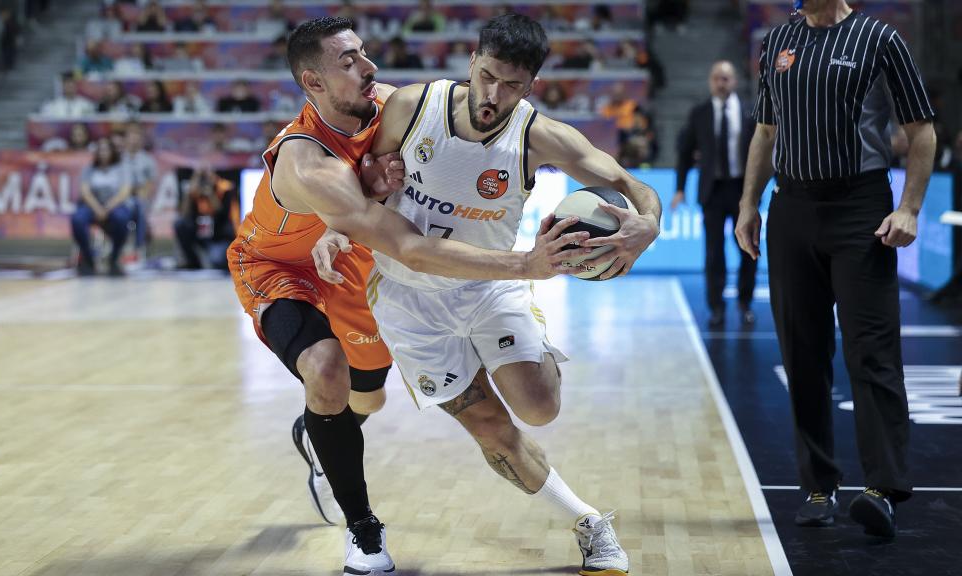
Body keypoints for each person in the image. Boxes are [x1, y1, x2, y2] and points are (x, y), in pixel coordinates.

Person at [225, 16, 587, 575]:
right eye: (348, 63)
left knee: (365, 400)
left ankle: (319, 433)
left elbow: (440, 139)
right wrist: (523, 264)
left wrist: (356, 206)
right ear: (313, 82)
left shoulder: (390, 103)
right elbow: (402, 241)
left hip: (349, 262)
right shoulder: (305, 159)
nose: (369, 68)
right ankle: (364, 532)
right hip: (278, 265)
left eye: (363, 54)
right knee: (325, 372)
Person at [315, 14, 661, 575]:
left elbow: (629, 182)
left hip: (488, 285)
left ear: (532, 86)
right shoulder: (411, 106)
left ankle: (519, 351)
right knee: (490, 430)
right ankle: (589, 523)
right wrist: (336, 227)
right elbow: (364, 179)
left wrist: (649, 222)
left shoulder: (538, 135)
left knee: (539, 408)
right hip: (407, 299)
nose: (495, 95)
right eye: (489, 77)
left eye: (513, 85)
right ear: (472, 62)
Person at [735, 0, 937, 538]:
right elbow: (765, 131)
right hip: (792, 208)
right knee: (802, 353)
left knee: (871, 350)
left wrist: (910, 207)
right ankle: (818, 484)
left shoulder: (879, 38)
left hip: (861, 208)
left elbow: (921, 130)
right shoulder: (776, 43)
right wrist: (748, 204)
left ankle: (884, 487)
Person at [674, 60, 757, 328]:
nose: (721, 83)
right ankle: (716, 308)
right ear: (711, 81)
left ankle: (745, 303)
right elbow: (685, 153)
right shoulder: (699, 113)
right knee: (713, 252)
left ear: (734, 81)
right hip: (712, 191)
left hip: (743, 191)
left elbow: (764, 151)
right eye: (717, 78)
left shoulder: (748, 111)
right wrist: (679, 188)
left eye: (726, 78)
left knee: (749, 249)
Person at [71, 138, 133, 277]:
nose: (103, 153)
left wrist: (107, 208)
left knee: (122, 218)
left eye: (106, 149)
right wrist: (97, 208)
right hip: (93, 205)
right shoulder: (89, 169)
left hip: (115, 205)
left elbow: (124, 192)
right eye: (100, 150)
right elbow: (85, 192)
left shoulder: (122, 168)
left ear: (112, 151)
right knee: (77, 219)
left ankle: (114, 258)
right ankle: (88, 258)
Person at [175, 166, 238, 269]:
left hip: (219, 236)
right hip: (200, 235)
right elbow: (185, 214)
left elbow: (224, 215)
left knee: (217, 261)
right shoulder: (194, 191)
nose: (205, 181)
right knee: (180, 224)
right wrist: (191, 190)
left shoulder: (224, 189)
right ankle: (193, 262)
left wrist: (211, 195)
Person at [120, 122, 156, 254]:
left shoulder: (147, 160)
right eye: (131, 134)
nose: (134, 138)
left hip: (139, 198)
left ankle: (138, 249)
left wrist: (141, 193)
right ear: (126, 138)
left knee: (140, 206)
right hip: (121, 198)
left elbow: (149, 184)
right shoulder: (118, 158)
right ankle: (119, 248)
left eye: (137, 134)